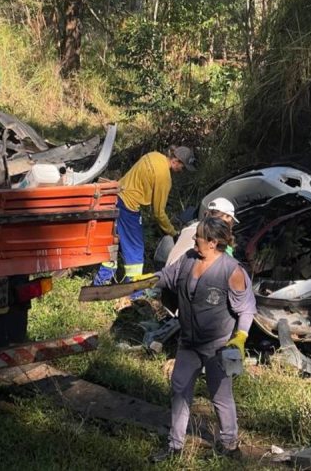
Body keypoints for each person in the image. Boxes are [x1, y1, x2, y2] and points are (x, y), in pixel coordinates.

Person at [149, 216, 256, 462]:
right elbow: (167, 276)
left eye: (198, 236)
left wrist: (240, 337)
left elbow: (246, 308)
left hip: (218, 346)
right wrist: (144, 282)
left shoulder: (232, 270)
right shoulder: (188, 259)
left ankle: (229, 444)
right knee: (179, 389)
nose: (194, 239)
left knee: (220, 395)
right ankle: (175, 446)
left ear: (213, 242)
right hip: (188, 342)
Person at [92, 145, 197, 288]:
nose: (182, 171)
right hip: (128, 208)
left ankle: (101, 282)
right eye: (183, 167)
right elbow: (159, 213)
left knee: (114, 242)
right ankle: (134, 291)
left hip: (115, 198)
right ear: (176, 161)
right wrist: (173, 232)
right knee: (135, 252)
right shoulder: (164, 178)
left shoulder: (153, 155)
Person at [165, 197, 238, 266]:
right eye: (231, 219)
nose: (231, 223)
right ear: (227, 216)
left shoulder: (190, 228)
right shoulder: (209, 234)